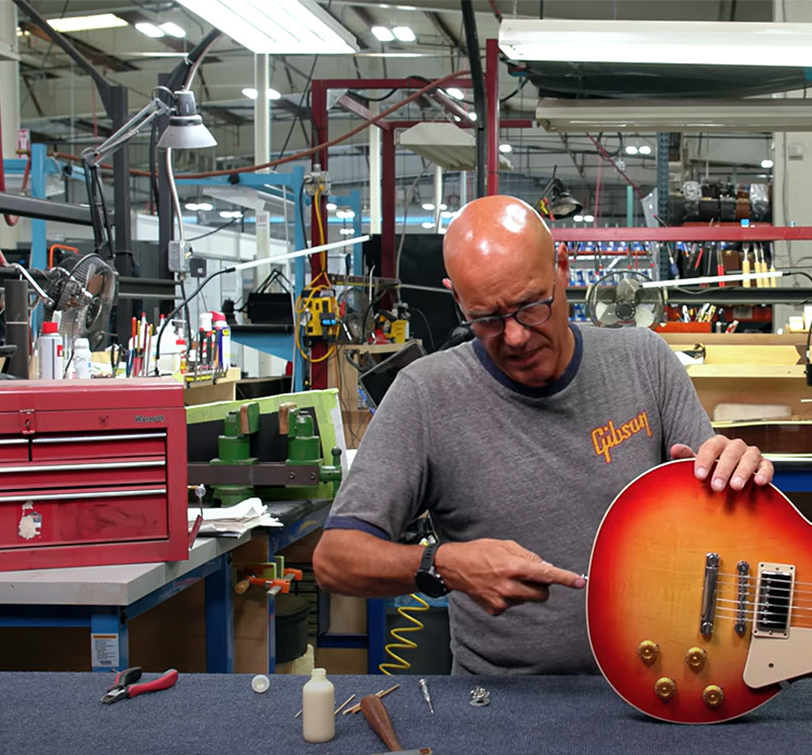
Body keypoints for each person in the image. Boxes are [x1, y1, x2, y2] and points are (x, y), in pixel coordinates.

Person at [313, 195, 773, 674]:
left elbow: (721, 513)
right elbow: (334, 559)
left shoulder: (644, 361)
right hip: (507, 702)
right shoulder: (426, 396)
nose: (514, 336)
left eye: (530, 306)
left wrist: (735, 470)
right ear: (457, 301)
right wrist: (440, 563)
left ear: (562, 268)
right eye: (487, 319)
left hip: (662, 681)